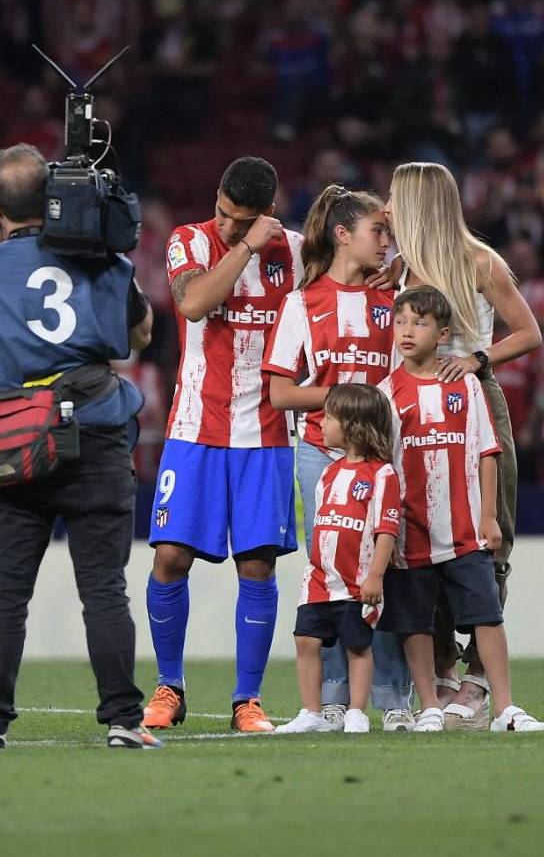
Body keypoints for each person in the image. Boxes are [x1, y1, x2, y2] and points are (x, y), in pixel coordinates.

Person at [0, 144, 157, 750]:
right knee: (102, 586)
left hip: (14, 441)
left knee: (5, 588)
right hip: (94, 429)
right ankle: (124, 720)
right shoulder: (103, 261)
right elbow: (140, 334)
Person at [144, 156, 303, 733]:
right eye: (224, 214)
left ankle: (247, 701)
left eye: (242, 221)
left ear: (269, 212)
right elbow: (191, 304)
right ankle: (169, 686)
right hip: (194, 429)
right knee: (169, 557)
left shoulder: (300, 253)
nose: (228, 226)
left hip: (266, 434)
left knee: (257, 565)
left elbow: (357, 270)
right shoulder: (190, 241)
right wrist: (242, 247)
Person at [385, 161, 542, 730]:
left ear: (419, 205)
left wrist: (477, 360)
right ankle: (445, 670)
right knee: (424, 535)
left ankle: (479, 676)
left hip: (473, 399)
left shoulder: (479, 261)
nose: (387, 209)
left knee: (485, 535)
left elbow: (529, 332)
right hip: (412, 404)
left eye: (396, 199)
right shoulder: (398, 269)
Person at [262, 185, 414, 732]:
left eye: (389, 234)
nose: (386, 243)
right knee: (328, 570)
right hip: (319, 454)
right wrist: (348, 405)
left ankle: (394, 698)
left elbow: (402, 380)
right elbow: (280, 392)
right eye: (379, 232)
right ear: (342, 235)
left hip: (382, 458)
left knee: (385, 569)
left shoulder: (393, 305)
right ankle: (328, 701)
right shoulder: (302, 302)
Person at [274, 383, 401, 735]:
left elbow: (386, 528)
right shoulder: (329, 474)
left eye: (328, 418)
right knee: (306, 640)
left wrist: (375, 574)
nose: (321, 424)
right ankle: (311, 711)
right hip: (319, 580)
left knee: (358, 645)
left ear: (354, 426)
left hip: (355, 582)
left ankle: (356, 711)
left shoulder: (381, 474)